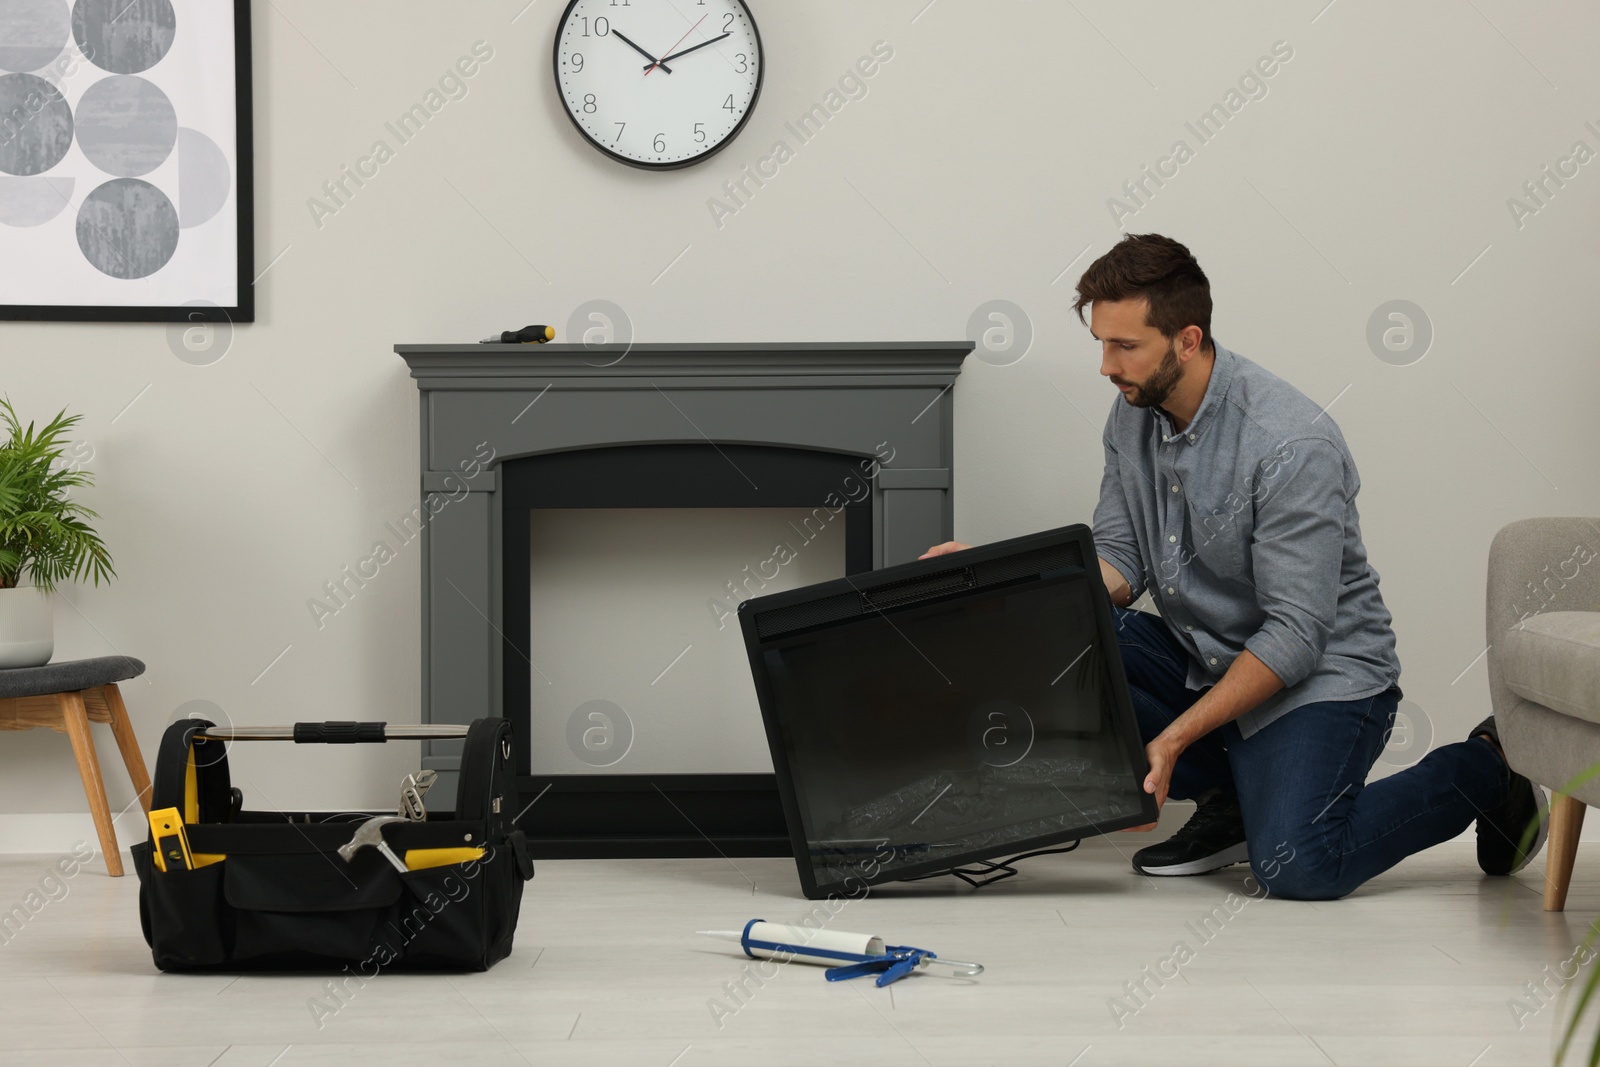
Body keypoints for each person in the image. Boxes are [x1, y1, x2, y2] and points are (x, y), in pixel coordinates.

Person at [921, 233, 1544, 900]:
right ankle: (1236, 792)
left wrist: (1175, 738)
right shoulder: (1134, 411)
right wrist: (1008, 581)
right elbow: (1120, 559)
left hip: (1319, 680)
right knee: (1058, 624)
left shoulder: (1289, 444)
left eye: (1124, 345)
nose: (1106, 365)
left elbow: (1294, 638)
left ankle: (1487, 769)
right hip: (1208, 657)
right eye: (1101, 342)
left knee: (1298, 865)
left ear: (1188, 340)